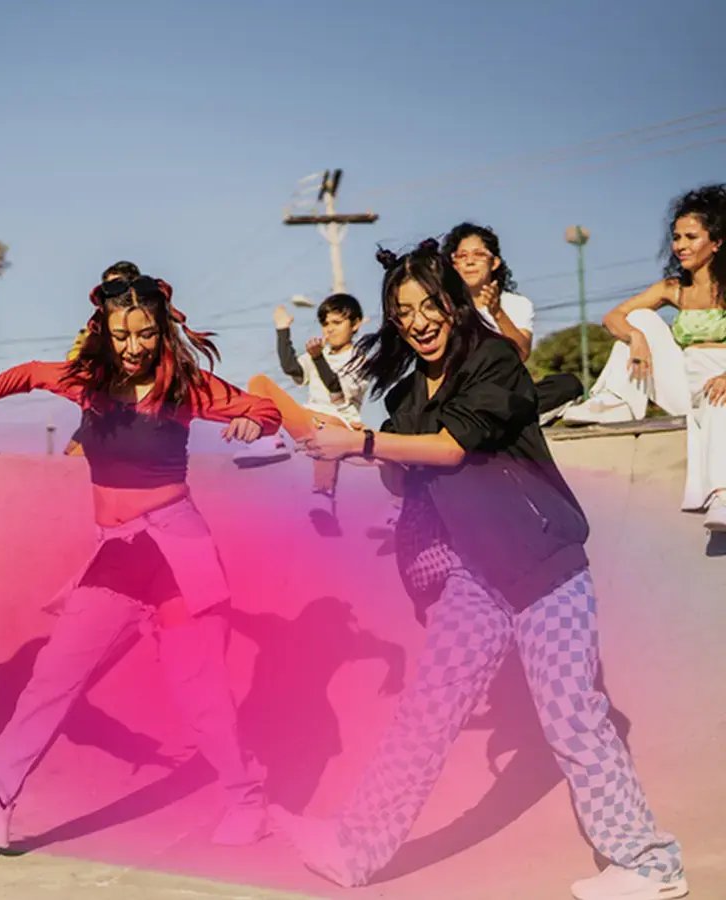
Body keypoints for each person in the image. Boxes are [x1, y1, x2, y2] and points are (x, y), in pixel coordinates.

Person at [272, 242, 687, 900]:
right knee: (424, 718)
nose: (418, 320)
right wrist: (347, 442)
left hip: (546, 567)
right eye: (403, 311)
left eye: (429, 304)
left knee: (573, 717)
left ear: (454, 303)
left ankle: (649, 863)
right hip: (474, 576)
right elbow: (405, 475)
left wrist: (364, 442)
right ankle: (354, 852)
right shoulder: (409, 391)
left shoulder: (494, 361)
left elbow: (454, 444)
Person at [0, 273, 281, 848]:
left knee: (200, 695)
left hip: (176, 560)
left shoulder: (186, 387)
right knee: (52, 681)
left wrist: (251, 420)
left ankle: (247, 799)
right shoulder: (88, 384)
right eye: (122, 335)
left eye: (144, 333)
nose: (134, 346)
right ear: (103, 333)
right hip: (117, 556)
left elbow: (265, 409)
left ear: (161, 330)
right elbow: (23, 374)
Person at [563, 184, 726, 531]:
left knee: (719, 401)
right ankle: (615, 401)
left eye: (691, 237)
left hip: (722, 380)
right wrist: (635, 337)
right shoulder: (672, 288)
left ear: (717, 242)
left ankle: (722, 496)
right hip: (685, 381)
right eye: (677, 237)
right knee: (639, 318)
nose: (680, 245)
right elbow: (613, 317)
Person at [238, 294, 368, 512]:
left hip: (338, 424)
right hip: (307, 419)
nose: (330, 329)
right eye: (325, 324)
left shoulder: (359, 360)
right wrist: (282, 329)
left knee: (326, 433)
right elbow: (292, 368)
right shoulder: (319, 353)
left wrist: (318, 359)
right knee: (258, 381)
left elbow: (336, 392)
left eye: (337, 323)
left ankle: (322, 493)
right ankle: (270, 439)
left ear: (355, 324)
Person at [442, 222, 583, 420]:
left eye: (478, 255)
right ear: (453, 264)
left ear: (495, 262)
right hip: (463, 398)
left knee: (566, 384)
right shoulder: (444, 309)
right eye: (462, 256)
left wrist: (497, 313)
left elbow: (522, 353)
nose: (470, 262)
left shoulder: (516, 304)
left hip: (506, 395)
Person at [63, 261, 141, 457]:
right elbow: (74, 360)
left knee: (76, 461)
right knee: (68, 454)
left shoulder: (148, 324)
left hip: (129, 417)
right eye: (108, 290)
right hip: (97, 412)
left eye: (118, 287)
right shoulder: (95, 327)